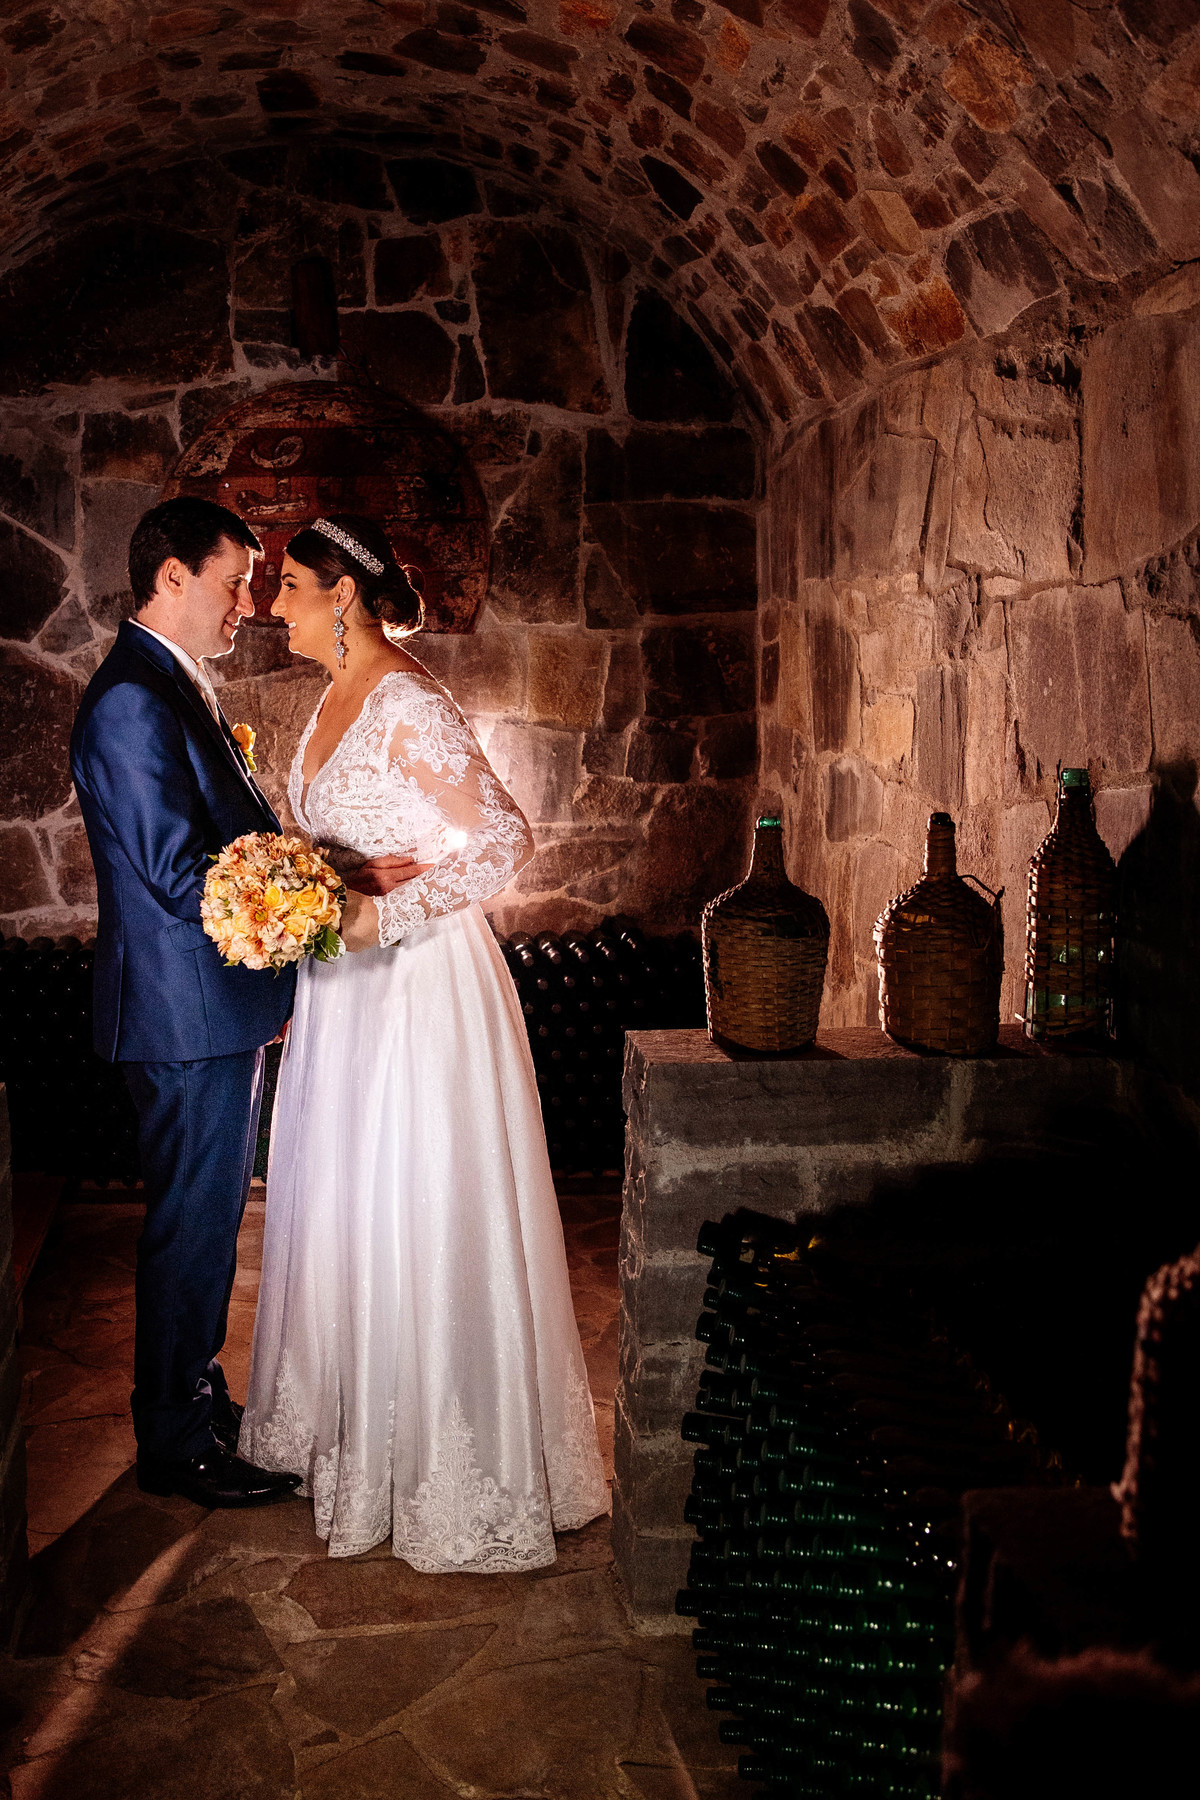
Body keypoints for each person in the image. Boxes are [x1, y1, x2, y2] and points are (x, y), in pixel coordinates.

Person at [239, 514, 609, 1568]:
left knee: (418, 1200)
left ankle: (448, 1461)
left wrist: (375, 919)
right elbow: (349, 845)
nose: (273, 607)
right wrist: (318, 887)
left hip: (419, 986)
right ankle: (353, 1427)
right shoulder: (327, 699)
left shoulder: (404, 698)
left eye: (289, 589)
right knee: (349, 1202)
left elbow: (502, 838)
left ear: (339, 596)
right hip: (345, 992)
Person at [68, 497, 410, 1509]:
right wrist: (328, 897)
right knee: (191, 1225)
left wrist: (321, 871)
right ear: (171, 579)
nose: (248, 604)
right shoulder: (134, 699)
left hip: (211, 1008)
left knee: (211, 1223)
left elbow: (230, 841)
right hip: (181, 1016)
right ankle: (175, 1444)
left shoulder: (175, 685)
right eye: (232, 580)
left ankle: (193, 1398)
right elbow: (184, 875)